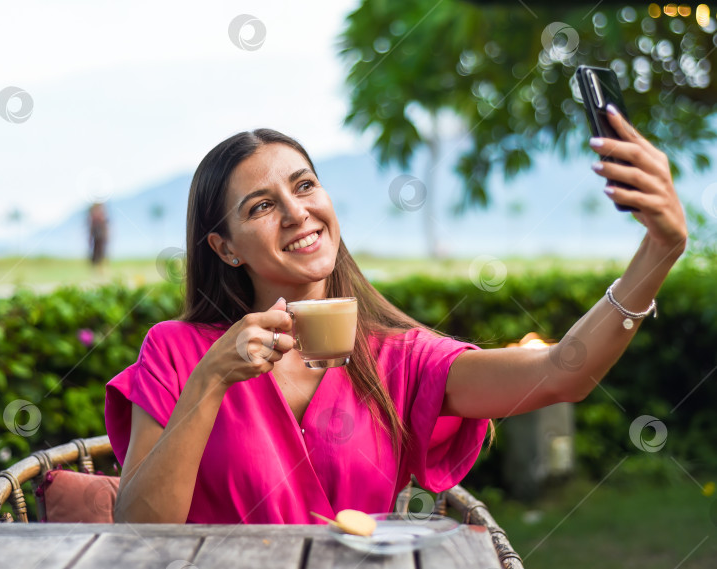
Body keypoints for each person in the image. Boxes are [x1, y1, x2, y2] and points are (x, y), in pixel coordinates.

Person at [105, 108, 687, 524]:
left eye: (305, 186)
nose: (295, 212)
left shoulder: (400, 358)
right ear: (226, 248)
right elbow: (138, 525)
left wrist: (658, 252)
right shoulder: (178, 351)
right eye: (261, 206)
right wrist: (210, 382)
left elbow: (563, 373)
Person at [88, 201, 109, 269]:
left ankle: (101, 268)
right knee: (95, 253)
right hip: (96, 237)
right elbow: (91, 228)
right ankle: (96, 269)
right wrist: (90, 237)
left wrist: (106, 235)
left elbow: (105, 227)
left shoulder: (102, 216)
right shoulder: (94, 217)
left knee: (101, 253)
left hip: (101, 237)